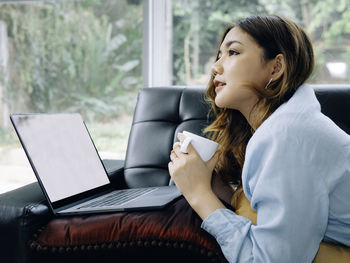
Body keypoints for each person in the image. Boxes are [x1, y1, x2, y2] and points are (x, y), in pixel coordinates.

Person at [168, 14, 350, 262]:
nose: (215, 67)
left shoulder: (287, 135)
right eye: (219, 55)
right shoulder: (284, 127)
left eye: (233, 52)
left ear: (275, 67)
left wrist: (200, 194)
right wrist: (218, 189)